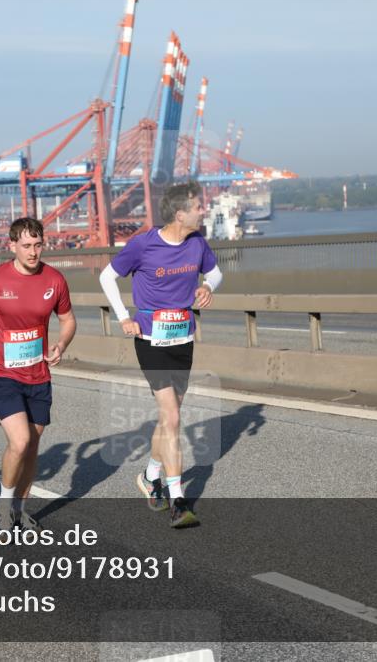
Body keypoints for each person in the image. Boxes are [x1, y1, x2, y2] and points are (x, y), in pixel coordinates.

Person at [98, 180, 223, 528]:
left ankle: (150, 475)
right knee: (171, 418)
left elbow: (216, 272)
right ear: (180, 213)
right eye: (198, 206)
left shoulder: (197, 243)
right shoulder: (143, 245)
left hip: (182, 339)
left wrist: (207, 286)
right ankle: (178, 500)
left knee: (169, 417)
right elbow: (107, 277)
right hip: (151, 341)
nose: (203, 210)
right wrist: (124, 317)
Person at [0, 217, 76, 534]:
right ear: (12, 246)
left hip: (39, 374)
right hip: (2, 373)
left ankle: (20, 510)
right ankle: (4, 506)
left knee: (32, 446)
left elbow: (67, 320)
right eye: (26, 246)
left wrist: (61, 344)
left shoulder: (55, 280)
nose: (33, 252)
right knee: (19, 441)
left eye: (37, 245)